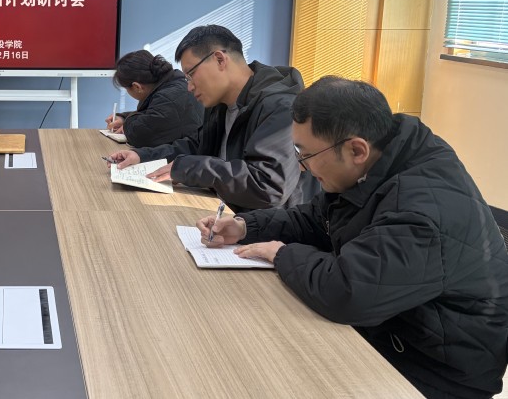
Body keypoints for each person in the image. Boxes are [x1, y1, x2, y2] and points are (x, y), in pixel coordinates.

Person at [198, 77, 508, 398]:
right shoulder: (380, 162)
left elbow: (347, 292)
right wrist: (246, 226)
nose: (301, 167)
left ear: (356, 149)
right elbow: (316, 219)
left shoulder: (422, 210)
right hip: (390, 330)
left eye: (305, 154)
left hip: (431, 371)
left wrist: (281, 254)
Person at [110, 25, 308, 211]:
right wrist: (142, 156)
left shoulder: (279, 107)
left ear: (220, 60)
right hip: (222, 212)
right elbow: (197, 145)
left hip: (262, 226)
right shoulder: (221, 103)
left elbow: (268, 186)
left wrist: (189, 169)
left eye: (191, 75)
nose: (189, 87)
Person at [105, 49, 203, 148]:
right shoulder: (173, 83)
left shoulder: (168, 98)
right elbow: (152, 113)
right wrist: (123, 118)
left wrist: (126, 124)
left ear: (137, 87)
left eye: (126, 89)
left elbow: (138, 135)